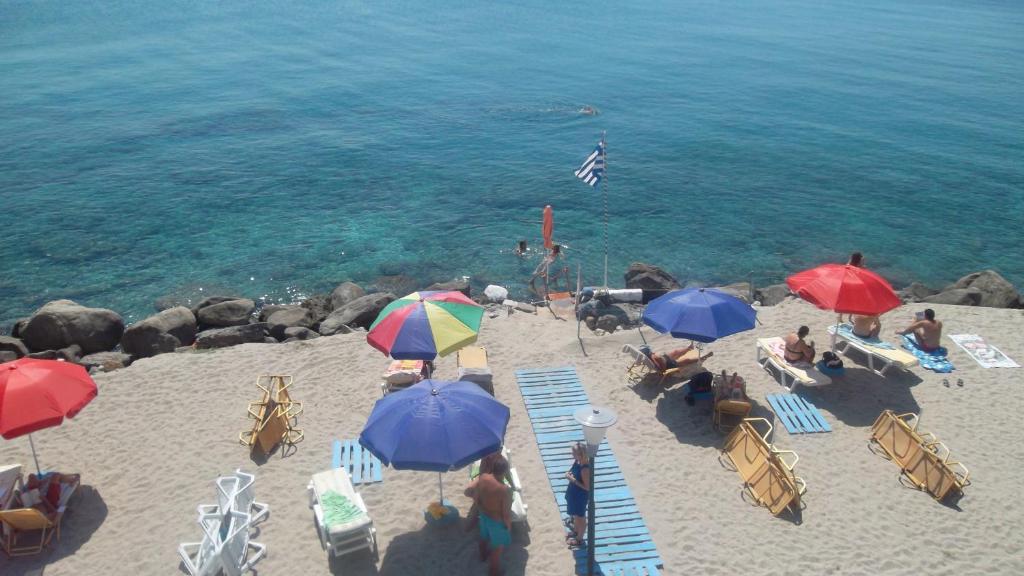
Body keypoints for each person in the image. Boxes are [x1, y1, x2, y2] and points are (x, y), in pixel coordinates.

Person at [465, 455, 512, 576]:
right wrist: (508, 526)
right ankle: (494, 572)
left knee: (484, 536)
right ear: (505, 471)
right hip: (496, 521)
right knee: (497, 550)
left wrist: (479, 506)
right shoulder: (504, 490)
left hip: (483, 515)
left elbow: (473, 494)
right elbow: (506, 514)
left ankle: (482, 555)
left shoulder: (483, 477)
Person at [563, 442, 590, 549]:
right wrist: (569, 474)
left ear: (580, 455)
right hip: (573, 493)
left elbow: (587, 487)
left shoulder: (585, 469)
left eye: (573, 453)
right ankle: (575, 531)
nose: (572, 455)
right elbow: (572, 471)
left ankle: (579, 539)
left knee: (581, 517)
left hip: (580, 495)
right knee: (575, 515)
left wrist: (573, 480)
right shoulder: (578, 462)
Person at [643, 343, 713, 372]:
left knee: (675, 352)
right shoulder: (654, 358)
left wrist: (661, 358)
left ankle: (688, 348)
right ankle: (704, 356)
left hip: (665, 358)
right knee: (687, 360)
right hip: (669, 364)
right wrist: (662, 362)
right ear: (649, 352)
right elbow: (662, 368)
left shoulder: (647, 356)